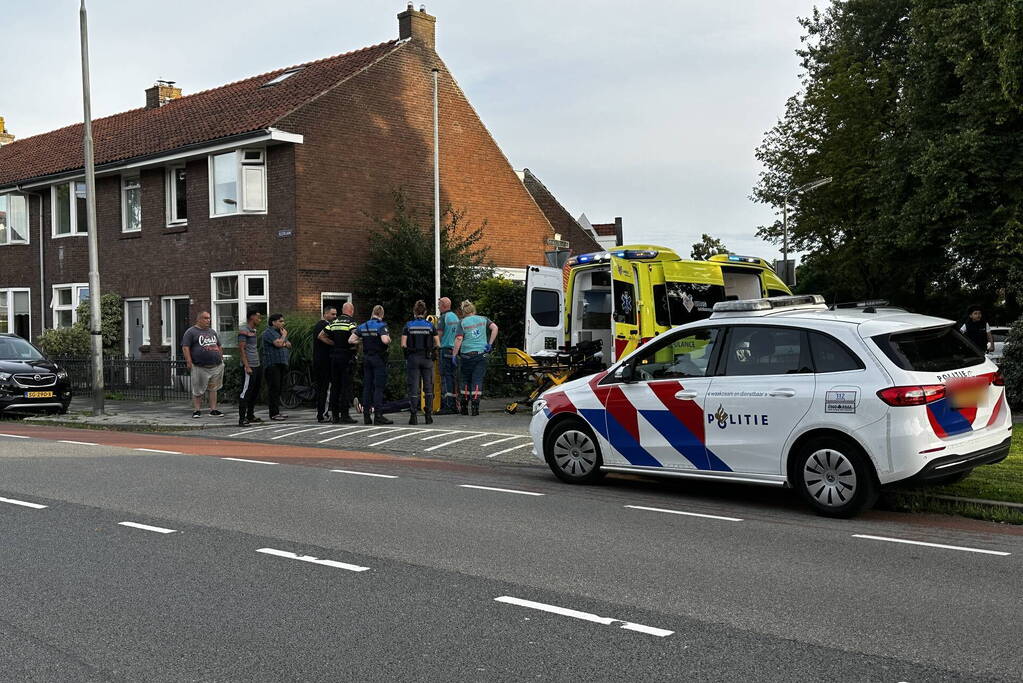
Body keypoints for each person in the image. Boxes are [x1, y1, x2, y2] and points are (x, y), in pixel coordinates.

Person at [452, 300, 498, 416]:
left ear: (463, 311)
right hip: (481, 355)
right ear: (473, 310)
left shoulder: (462, 322)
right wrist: (490, 344)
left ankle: (464, 407)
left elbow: (458, 339)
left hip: (466, 355)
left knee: (465, 380)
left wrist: (454, 354)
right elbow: (495, 328)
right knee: (477, 379)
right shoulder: (483, 319)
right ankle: (475, 407)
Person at [349, 304, 392, 425]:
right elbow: (384, 340)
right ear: (381, 314)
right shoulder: (382, 326)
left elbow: (351, 340)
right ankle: (378, 416)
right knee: (378, 387)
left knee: (367, 387)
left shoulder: (363, 325)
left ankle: (366, 416)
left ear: (372, 313)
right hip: (378, 358)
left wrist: (361, 340)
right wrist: (389, 339)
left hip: (366, 358)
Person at [180, 311, 226, 419]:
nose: (208, 320)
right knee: (198, 389)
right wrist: (188, 361)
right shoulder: (191, 332)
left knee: (213, 388)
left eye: (209, 318)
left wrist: (221, 357)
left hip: (215, 365)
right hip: (200, 366)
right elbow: (185, 347)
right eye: (205, 318)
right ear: (199, 319)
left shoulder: (212, 332)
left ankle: (213, 410)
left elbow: (218, 345)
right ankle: (197, 410)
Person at [402, 300, 440, 425]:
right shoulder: (430, 326)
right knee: (428, 387)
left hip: (413, 358)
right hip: (427, 358)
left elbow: (403, 344)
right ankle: (428, 415)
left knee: (413, 387)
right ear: (425, 312)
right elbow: (437, 343)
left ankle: (413, 416)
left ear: (414, 311)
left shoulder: (408, 325)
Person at [323, 302, 358, 424]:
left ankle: (335, 416)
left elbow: (321, 336)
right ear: (351, 311)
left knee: (335, 387)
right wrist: (354, 345)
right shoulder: (351, 322)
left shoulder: (334, 322)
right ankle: (345, 415)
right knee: (345, 386)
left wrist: (334, 344)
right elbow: (355, 335)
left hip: (334, 357)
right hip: (346, 356)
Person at [262, 313, 292, 421]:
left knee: (279, 389)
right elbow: (279, 344)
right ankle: (273, 413)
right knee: (273, 389)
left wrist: (282, 341)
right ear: (273, 322)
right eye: (280, 321)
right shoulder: (268, 332)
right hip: (272, 364)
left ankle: (277, 411)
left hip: (281, 364)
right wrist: (283, 337)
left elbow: (289, 344)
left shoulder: (279, 332)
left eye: (283, 321)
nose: (283, 323)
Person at [237, 309, 263, 427]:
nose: (260, 320)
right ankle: (242, 419)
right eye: (258, 317)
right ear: (252, 317)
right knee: (245, 392)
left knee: (254, 391)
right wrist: (247, 366)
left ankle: (250, 415)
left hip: (256, 365)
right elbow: (242, 349)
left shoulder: (254, 331)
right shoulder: (244, 331)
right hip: (249, 366)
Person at [312, 306, 338, 423]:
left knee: (323, 388)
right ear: (325, 314)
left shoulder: (321, 325)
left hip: (320, 361)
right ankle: (323, 414)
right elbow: (321, 337)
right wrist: (334, 344)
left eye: (335, 314)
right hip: (323, 362)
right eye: (332, 314)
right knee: (325, 388)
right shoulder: (323, 325)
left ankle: (322, 413)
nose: (335, 316)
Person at [436, 296, 460, 414]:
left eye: (439, 305)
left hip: (445, 350)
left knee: (445, 377)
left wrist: (433, 347)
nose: (438, 307)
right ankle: (455, 404)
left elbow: (438, 335)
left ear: (444, 305)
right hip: (454, 351)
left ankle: (447, 405)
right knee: (453, 377)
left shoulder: (443, 318)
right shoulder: (455, 317)